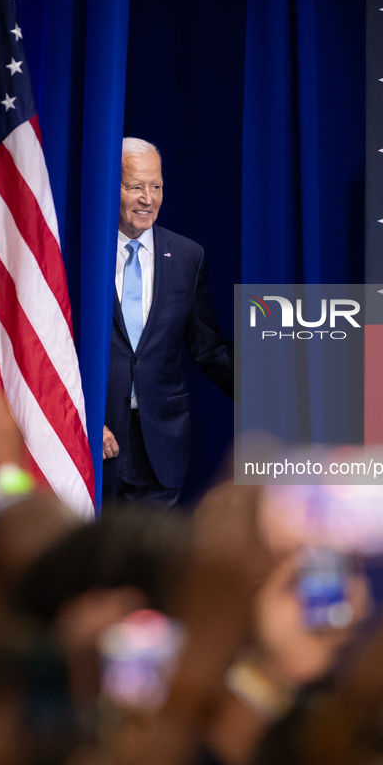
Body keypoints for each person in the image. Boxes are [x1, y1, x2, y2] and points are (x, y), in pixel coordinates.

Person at [102, 138, 233, 506]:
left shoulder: (187, 256)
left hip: (160, 443)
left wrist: (269, 391)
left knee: (150, 561)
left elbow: (208, 347)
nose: (148, 198)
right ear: (113, 184)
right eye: (135, 186)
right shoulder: (81, 249)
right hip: (98, 437)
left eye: (156, 186)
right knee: (98, 560)